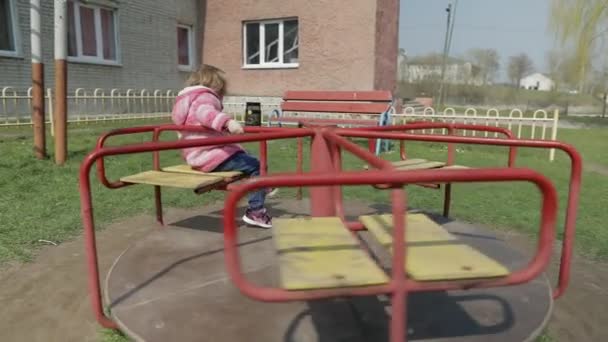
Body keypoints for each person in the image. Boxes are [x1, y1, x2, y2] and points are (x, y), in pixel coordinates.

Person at [171, 64, 274, 228]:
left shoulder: (187, 101)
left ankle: (260, 185)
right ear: (216, 87)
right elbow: (206, 114)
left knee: (247, 159)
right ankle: (256, 212)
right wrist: (228, 122)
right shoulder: (205, 98)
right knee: (259, 166)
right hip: (212, 155)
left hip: (198, 156)